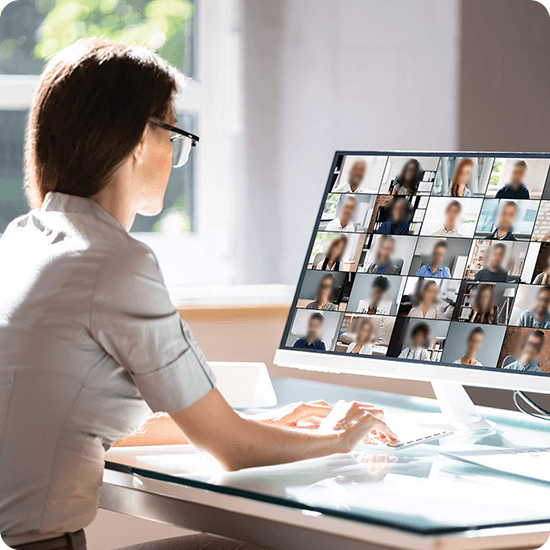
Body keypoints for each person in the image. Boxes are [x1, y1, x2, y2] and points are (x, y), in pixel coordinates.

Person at [0, 40, 398, 550]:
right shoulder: (115, 264)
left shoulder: (24, 238)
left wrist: (262, 425)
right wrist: (340, 439)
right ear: (139, 138)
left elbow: (69, 424)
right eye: (173, 134)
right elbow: (235, 451)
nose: (174, 155)